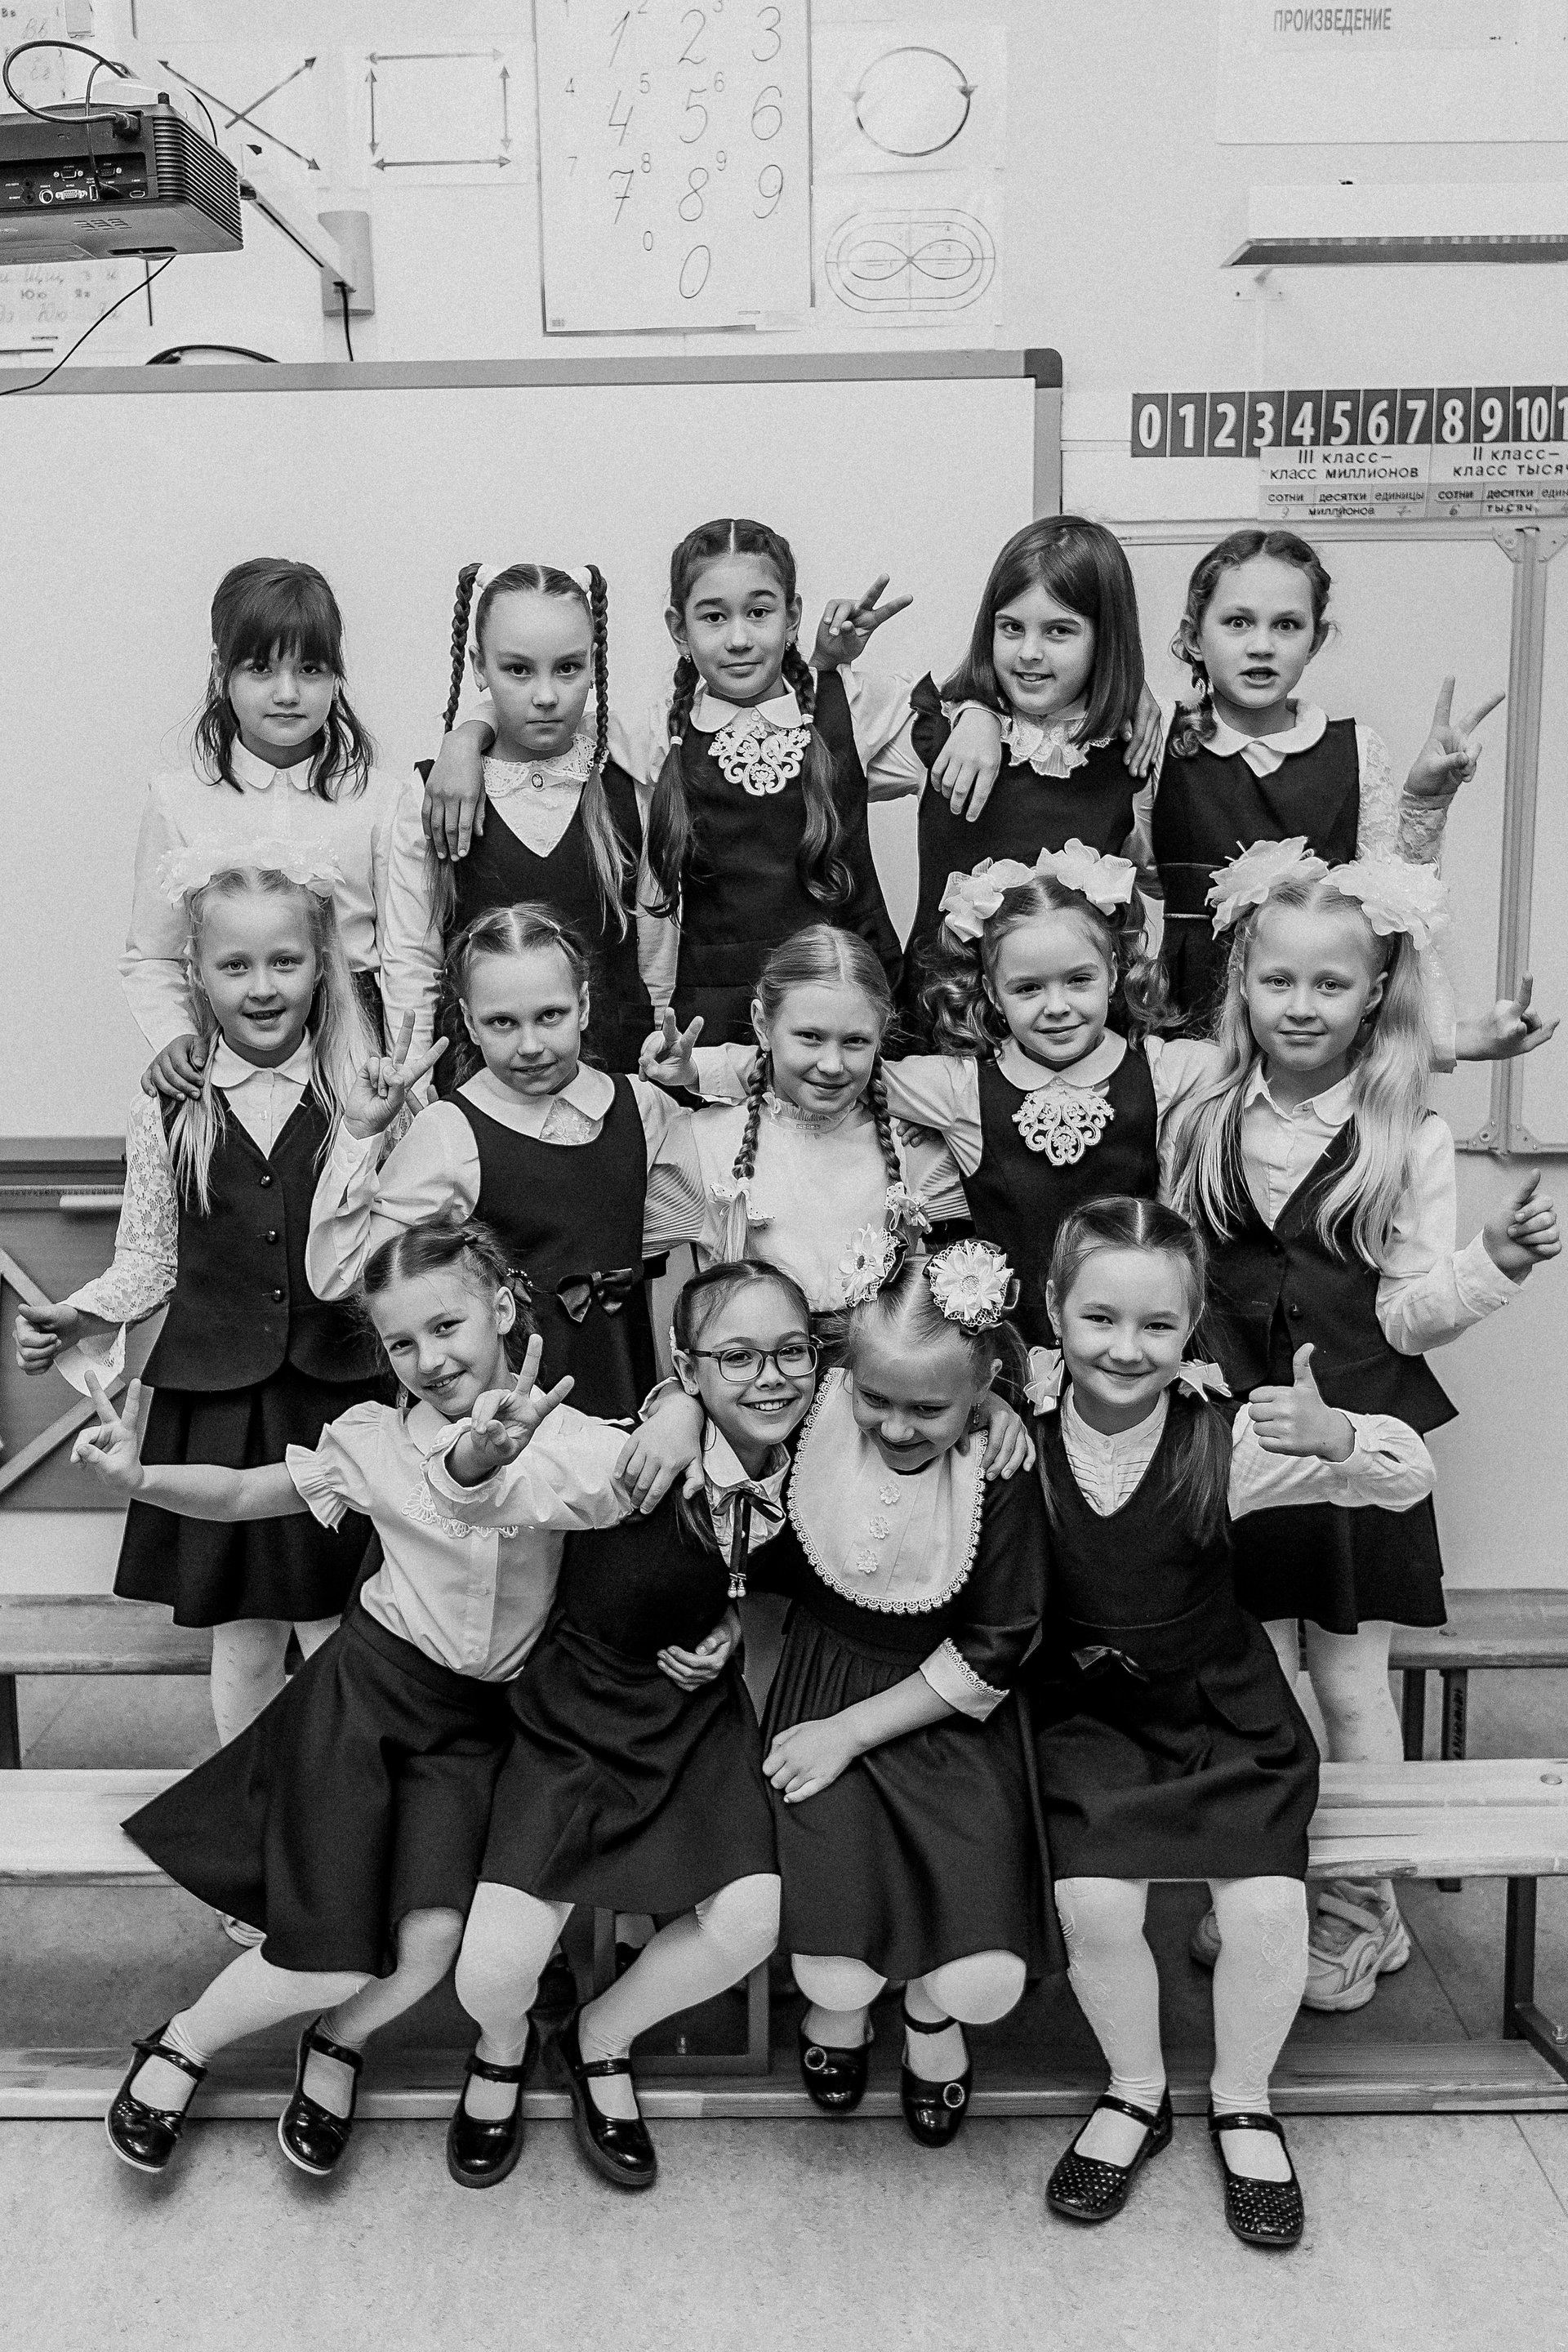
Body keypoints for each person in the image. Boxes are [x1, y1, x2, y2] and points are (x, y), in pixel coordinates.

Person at [70, 1218, 702, 2182]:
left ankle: (338, 2040)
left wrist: (680, 1410)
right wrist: (142, 1475)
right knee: (331, 1945)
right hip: (364, 1699)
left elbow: (681, 1473)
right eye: (402, 1343)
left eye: (447, 1327)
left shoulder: (572, 1440)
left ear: (503, 1308)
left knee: (432, 1941)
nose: (429, 1359)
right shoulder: (373, 1441)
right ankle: (184, 2041)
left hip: (477, 1724)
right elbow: (242, 1494)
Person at [1169, 842, 1560, 2011]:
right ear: (1243, 983)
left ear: (1375, 992)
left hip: (1354, 1444)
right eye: (1279, 980)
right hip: (1236, 1443)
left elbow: (1405, 1312)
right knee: (1257, 1678)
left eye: (1331, 984)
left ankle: (1362, 1906)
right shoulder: (1201, 1112)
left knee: (1347, 1684)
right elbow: (1179, 1276)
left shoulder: (1409, 1133)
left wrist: (1491, 1263)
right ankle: (1276, 1884)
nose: (1302, 1005)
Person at [1027, 1196, 1437, 2250]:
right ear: (1055, 1312)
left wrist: (1340, 1435)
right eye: (1099, 1318)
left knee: (1263, 1913)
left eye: (1157, 1325)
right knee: (1093, 1905)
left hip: (1224, 1714)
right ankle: (1134, 2090)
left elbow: (1408, 1479)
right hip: (1091, 1723)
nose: (1127, 1348)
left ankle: (1245, 2099)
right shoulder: (1016, 1436)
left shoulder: (1232, 1438)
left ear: (1192, 1326)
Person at [440, 1257, 816, 2193]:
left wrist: (734, 1630)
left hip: (693, 1720)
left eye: (792, 1352)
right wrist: (668, 1412)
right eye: (738, 1357)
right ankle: (503, 2041)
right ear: (687, 1369)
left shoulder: (817, 1461)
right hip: (574, 1714)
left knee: (751, 1920)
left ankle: (600, 2038)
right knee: (490, 1973)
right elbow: (480, 1489)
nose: (770, 1378)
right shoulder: (629, 1452)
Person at [16, 852, 394, 1747]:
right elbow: (150, 1257)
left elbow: (397, 1253)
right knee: (245, 1631)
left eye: (285, 961)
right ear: (198, 973)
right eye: (235, 965)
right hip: (215, 1404)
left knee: (343, 1619)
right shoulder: (165, 1110)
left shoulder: (367, 1094)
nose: (262, 987)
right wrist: (83, 1313)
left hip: (340, 1393)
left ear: (322, 966)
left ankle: (343, 1799)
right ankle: (248, 1799)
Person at [764, 1240, 1048, 2146]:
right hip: (824, 1683)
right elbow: (720, 1401)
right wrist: (672, 1411)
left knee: (983, 1978)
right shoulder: (813, 1412)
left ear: (983, 1387)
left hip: (951, 1709)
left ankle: (929, 2011)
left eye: (929, 1409)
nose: (894, 1428)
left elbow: (999, 1647)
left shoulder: (998, 1466)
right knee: (834, 1970)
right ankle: (842, 2014)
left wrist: (851, 1733)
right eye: (875, 1398)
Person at [308, 903, 707, 1419]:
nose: (530, 1045)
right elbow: (340, 1275)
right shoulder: (450, 1131)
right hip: (510, 1415)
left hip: (630, 1385)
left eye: (550, 1016)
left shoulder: (643, 1106)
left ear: (584, 1006)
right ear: (470, 1024)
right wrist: (359, 1134)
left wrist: (696, 1081)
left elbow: (714, 1212)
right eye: (502, 1023)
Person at [1152, 527, 1502, 1031]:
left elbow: (1394, 905)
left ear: (1315, 641)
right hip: (1188, 1027)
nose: (1261, 646)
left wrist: (1425, 801)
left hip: (1315, 1026)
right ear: (1193, 637)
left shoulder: (1355, 749)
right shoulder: (1160, 736)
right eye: (1237, 622)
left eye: (1287, 625)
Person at [121, 557, 398, 1092]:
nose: (288, 693)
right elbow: (153, 953)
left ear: (337, 673)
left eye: (310, 669)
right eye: (261, 669)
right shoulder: (178, 800)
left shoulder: (380, 801)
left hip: (353, 1059)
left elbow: (403, 957)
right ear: (220, 670)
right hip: (225, 1057)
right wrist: (172, 1035)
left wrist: (408, 1069)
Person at [379, 560, 665, 1077]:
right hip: (475, 1089)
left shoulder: (631, 784)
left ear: (594, 663)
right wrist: (414, 1087)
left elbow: (657, 962)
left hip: (615, 1078)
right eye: (518, 669)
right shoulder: (432, 793)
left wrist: (658, 1070)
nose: (546, 696)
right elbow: (411, 964)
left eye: (568, 667)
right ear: (478, 666)